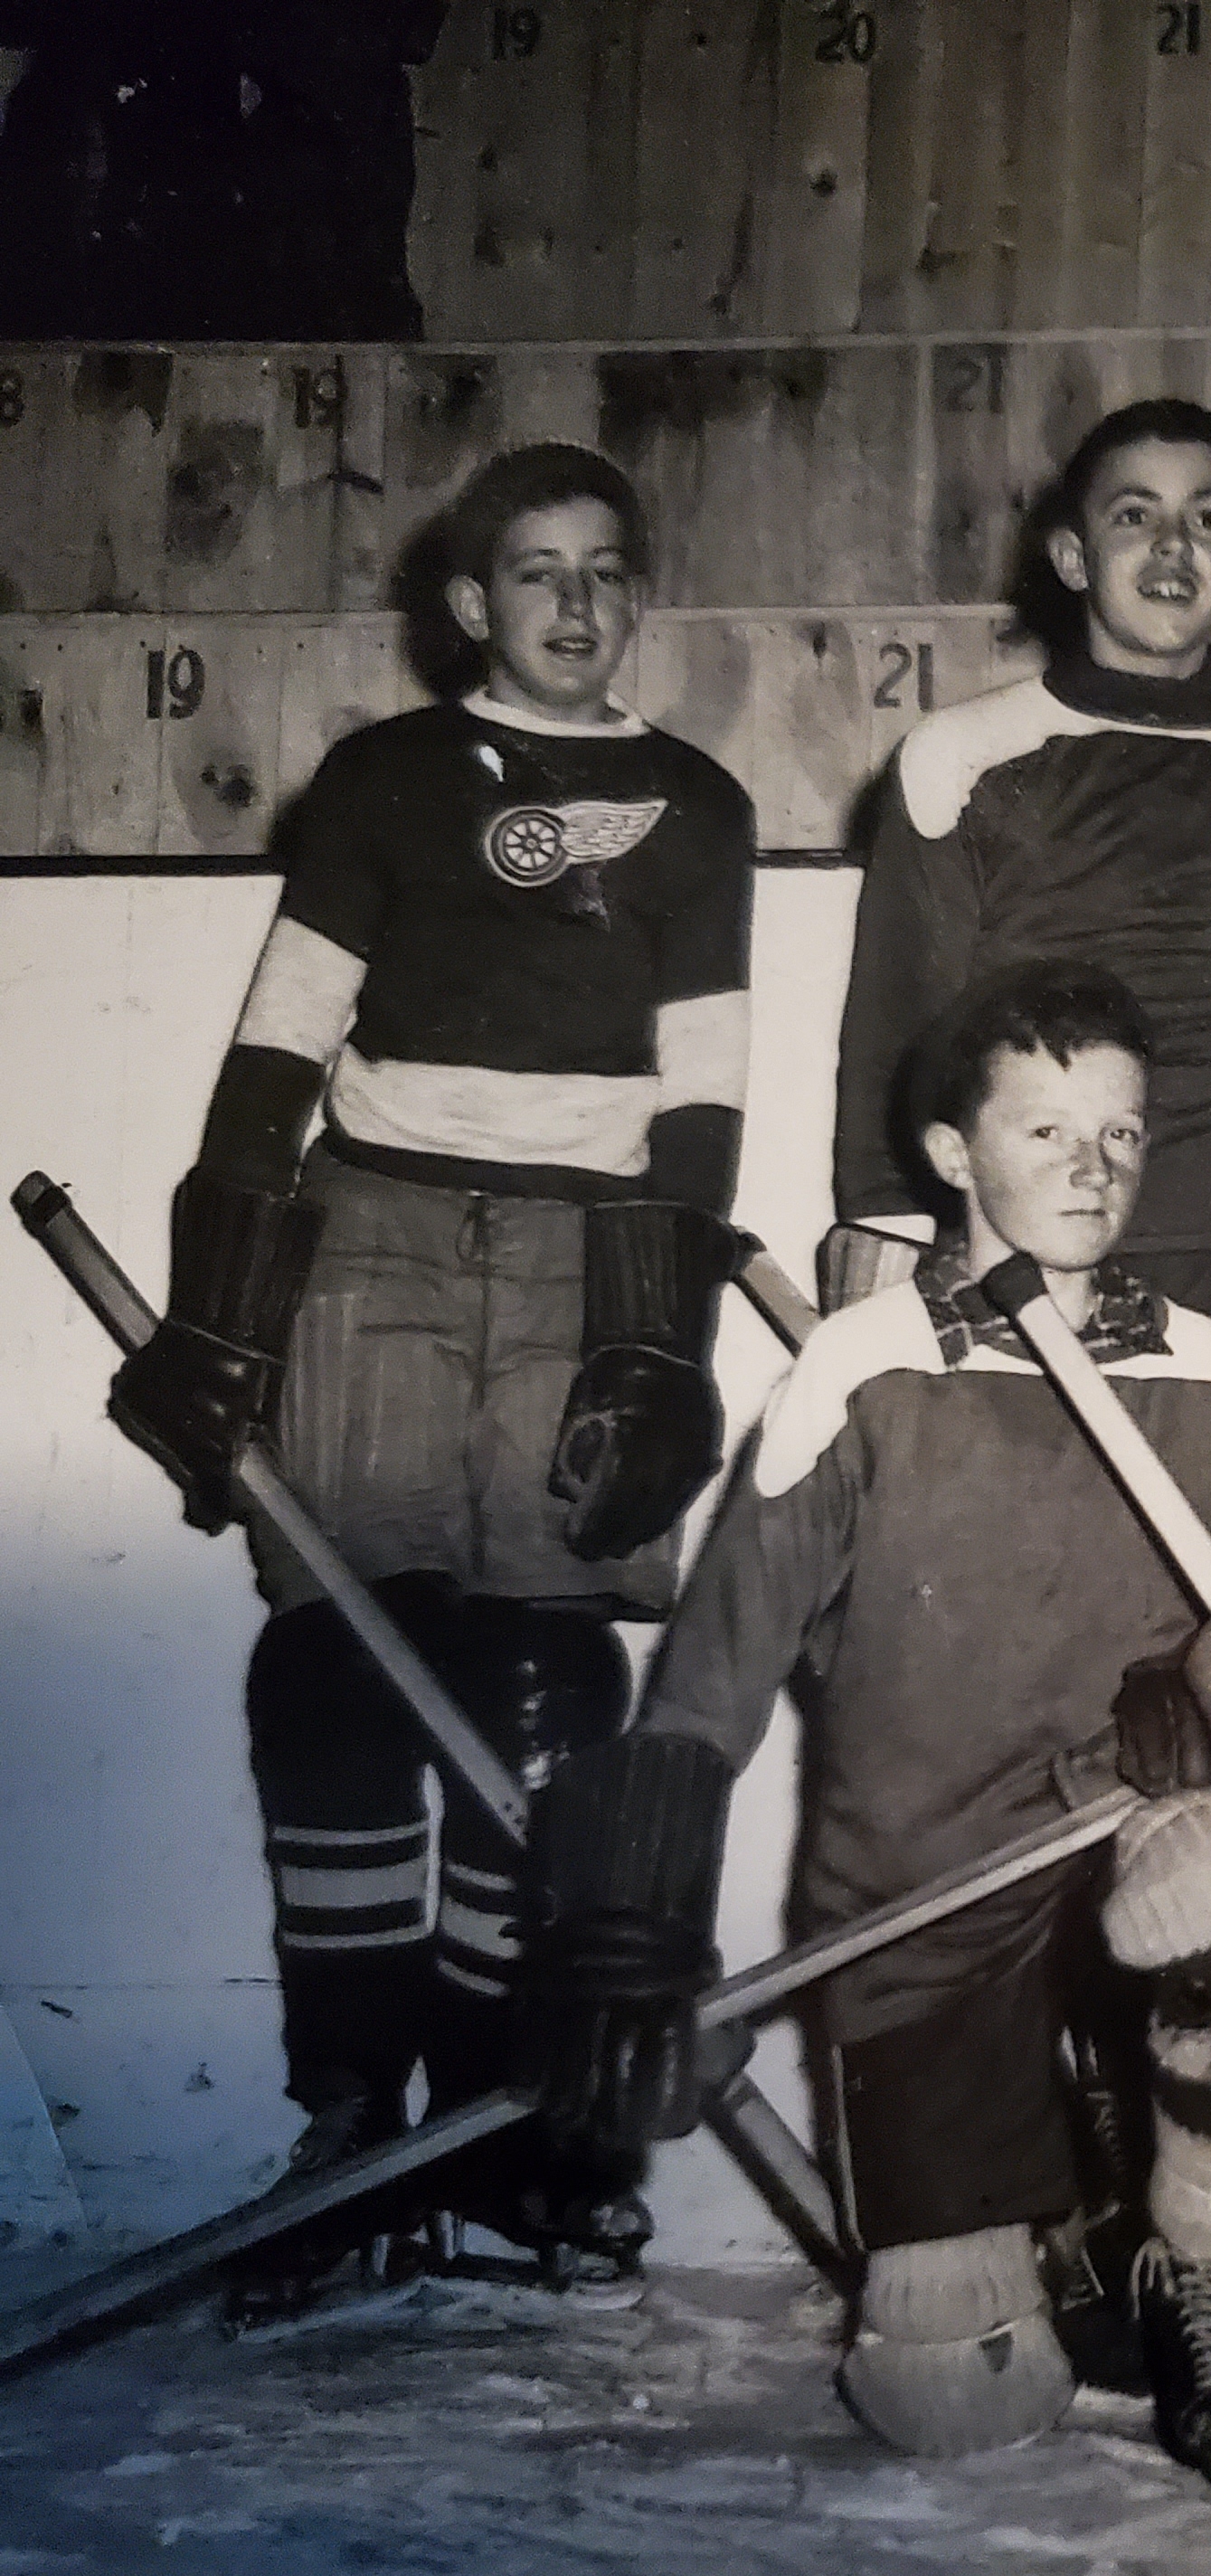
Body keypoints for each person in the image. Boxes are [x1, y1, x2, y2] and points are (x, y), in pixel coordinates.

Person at [518, 961, 1211, 2500]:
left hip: (1130, 1862)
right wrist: (634, 1925)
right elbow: (712, 1669)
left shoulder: (1208, 1365)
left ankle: (1199, 2268)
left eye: (1123, 1133)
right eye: (1044, 1130)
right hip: (923, 1900)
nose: (1092, 1169)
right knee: (953, 2403)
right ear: (954, 1152)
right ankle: (1062, 2222)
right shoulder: (859, 1369)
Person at [105, 440, 753, 2325]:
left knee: (549, 1677)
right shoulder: (386, 782)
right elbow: (277, 1048)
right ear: (470, 602)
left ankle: (495, 2129)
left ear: (637, 597)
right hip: (373, 1243)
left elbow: (703, 1101)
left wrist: (662, 1335)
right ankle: (346, 2120)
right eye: (530, 571)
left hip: (588, 1261)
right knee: (335, 1659)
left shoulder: (697, 810)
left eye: (603, 570)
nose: (570, 601)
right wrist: (223, 1310)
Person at [827, 398, 1211, 1404]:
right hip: (1021, 1247)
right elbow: (900, 1037)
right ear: (1073, 555)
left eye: (1208, 520)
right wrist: (880, 1256)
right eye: (1135, 515)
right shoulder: (961, 757)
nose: (1175, 545)